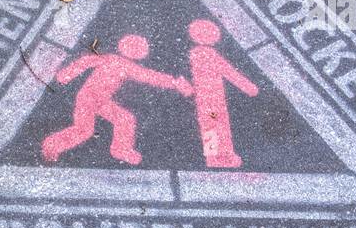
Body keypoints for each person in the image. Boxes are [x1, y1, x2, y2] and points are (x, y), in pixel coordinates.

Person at [42, 34, 192, 165]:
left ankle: (121, 149)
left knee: (123, 119)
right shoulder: (122, 64)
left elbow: (86, 61)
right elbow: (149, 76)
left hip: (100, 100)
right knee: (86, 129)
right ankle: (52, 145)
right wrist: (175, 83)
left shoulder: (116, 61)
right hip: (89, 97)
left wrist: (66, 74)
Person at [186, 19, 258, 168]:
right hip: (213, 99)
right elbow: (230, 72)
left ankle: (212, 157)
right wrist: (249, 88)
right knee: (219, 125)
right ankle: (224, 156)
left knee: (210, 126)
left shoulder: (194, 53)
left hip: (202, 99)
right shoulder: (211, 55)